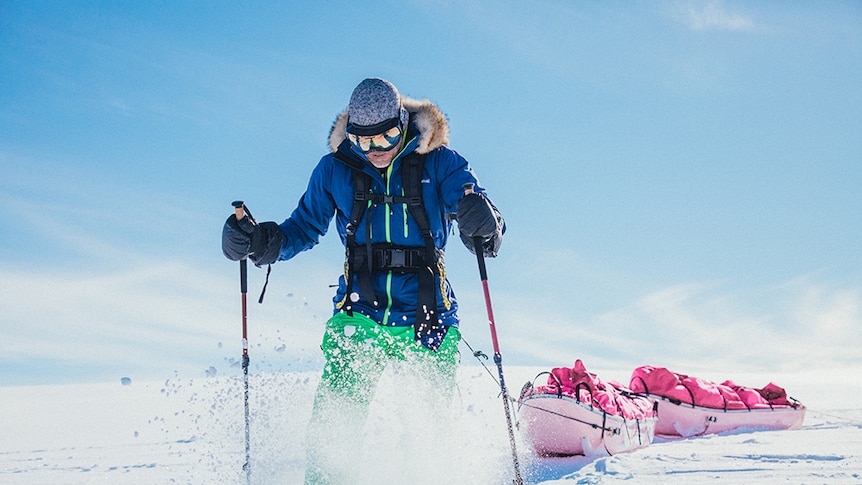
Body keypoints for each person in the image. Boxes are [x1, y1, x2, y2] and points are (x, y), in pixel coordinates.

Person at [222, 78, 504, 484]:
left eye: (388, 137)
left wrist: (483, 222)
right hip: (358, 312)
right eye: (364, 141)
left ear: (403, 123)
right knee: (333, 430)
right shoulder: (334, 169)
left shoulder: (440, 162)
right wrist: (260, 243)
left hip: (428, 316)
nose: (378, 151)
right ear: (351, 134)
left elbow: (488, 225)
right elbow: (302, 227)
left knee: (425, 434)